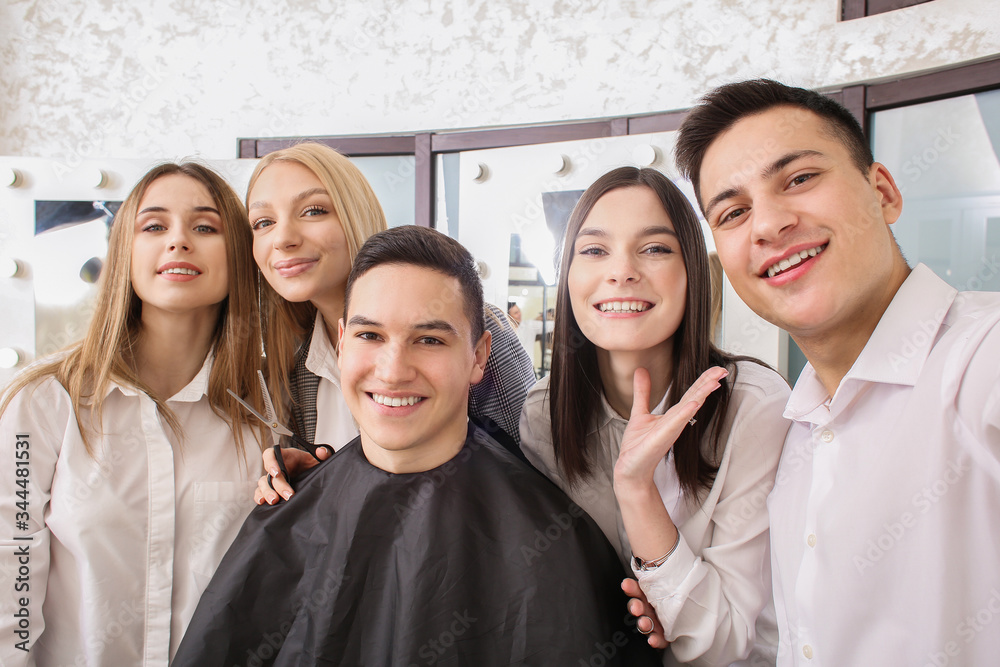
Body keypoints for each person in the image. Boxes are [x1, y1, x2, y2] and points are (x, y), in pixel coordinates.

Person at [171, 225, 660, 666]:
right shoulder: (286, 511)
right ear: (341, 344)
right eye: (370, 334)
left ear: (479, 356)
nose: (392, 369)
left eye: (428, 340)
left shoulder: (553, 540)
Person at [672, 78, 1000, 666]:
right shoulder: (792, 429)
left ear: (883, 192)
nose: (768, 226)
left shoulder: (979, 358)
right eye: (734, 211)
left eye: (798, 179)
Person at [519, 166, 792, 666]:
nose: (621, 271)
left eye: (656, 248)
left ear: (693, 272)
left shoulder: (753, 405)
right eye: (595, 250)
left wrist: (637, 488)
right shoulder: (543, 413)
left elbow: (723, 643)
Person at [0, 163, 266, 665]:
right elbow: (8, 559)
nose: (179, 241)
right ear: (125, 251)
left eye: (205, 227)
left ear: (239, 256)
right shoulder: (44, 402)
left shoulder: (269, 411)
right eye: (154, 226)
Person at [245, 143, 535, 500]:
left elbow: (529, 480)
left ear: (355, 214)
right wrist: (310, 484)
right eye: (263, 222)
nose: (283, 238)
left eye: (314, 211)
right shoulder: (297, 365)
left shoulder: (473, 331)